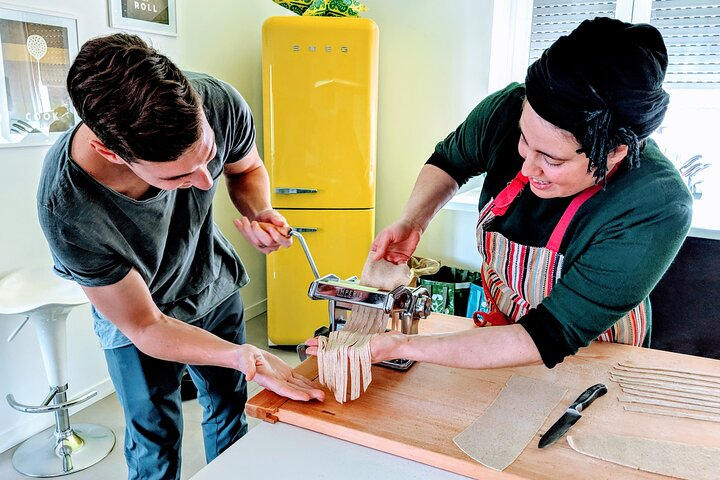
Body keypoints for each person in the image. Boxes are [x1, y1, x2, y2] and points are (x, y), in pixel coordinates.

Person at [308, 18, 692, 370]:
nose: (527, 168)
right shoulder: (507, 108)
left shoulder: (656, 204)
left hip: (591, 351)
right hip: (498, 333)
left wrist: (397, 347)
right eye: (525, 141)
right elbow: (450, 161)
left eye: (551, 159)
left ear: (615, 153)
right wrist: (413, 221)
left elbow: (550, 334)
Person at [37, 33, 324, 480]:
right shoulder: (67, 209)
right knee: (155, 440)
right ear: (110, 151)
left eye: (205, 156)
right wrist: (243, 356)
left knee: (230, 409)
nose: (204, 183)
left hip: (211, 283)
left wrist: (261, 211)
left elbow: (245, 169)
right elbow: (145, 325)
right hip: (139, 316)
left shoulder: (218, 101)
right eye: (178, 175)